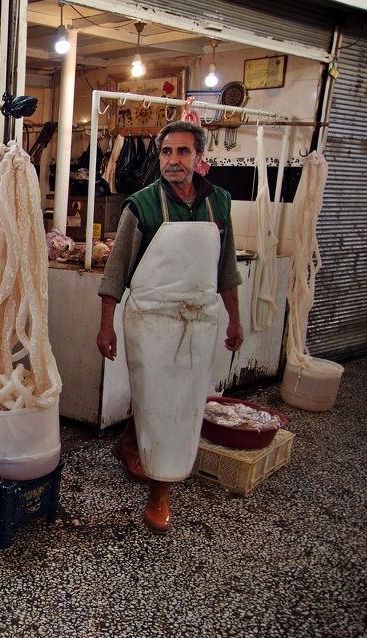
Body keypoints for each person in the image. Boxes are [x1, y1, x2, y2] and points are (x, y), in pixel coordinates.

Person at [96, 120, 244, 534]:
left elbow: (226, 268)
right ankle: (159, 492)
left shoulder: (219, 203)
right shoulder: (141, 205)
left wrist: (235, 319)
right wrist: (106, 326)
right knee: (160, 396)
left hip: (199, 318)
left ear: (199, 157)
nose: (173, 160)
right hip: (151, 321)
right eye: (166, 152)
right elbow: (115, 272)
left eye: (182, 152)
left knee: (184, 397)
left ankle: (129, 445)